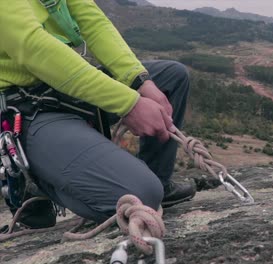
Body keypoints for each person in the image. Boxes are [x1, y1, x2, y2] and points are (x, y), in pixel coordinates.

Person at [0, 0, 196, 229]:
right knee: (141, 194)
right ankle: (35, 183)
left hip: (60, 88)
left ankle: (158, 184)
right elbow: (34, 47)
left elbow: (93, 22)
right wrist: (129, 104)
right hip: (24, 108)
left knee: (172, 77)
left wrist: (139, 80)